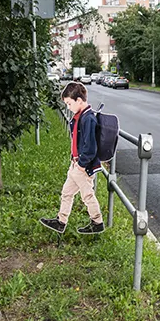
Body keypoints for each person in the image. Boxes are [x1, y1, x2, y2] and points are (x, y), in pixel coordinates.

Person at [40, 82, 104, 235]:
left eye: (69, 103)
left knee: (87, 195)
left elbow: (90, 147)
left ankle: (97, 222)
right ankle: (61, 222)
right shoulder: (79, 116)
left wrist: (81, 165)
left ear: (79, 101)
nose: (68, 107)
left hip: (82, 165)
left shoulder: (88, 119)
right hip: (75, 163)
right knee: (67, 192)